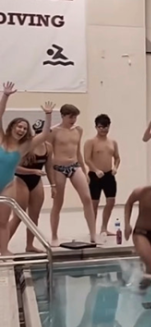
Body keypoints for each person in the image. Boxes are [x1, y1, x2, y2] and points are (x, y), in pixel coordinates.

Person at [0, 83, 54, 256]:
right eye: (19, 126)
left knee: (2, 221)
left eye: (24, 128)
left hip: (7, 186)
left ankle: (3, 250)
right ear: (12, 127)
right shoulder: (2, 138)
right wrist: (6, 96)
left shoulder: (23, 147)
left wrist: (48, 114)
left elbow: (45, 135)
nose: (22, 130)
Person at [48, 103, 98, 246]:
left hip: (75, 166)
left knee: (87, 198)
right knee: (58, 203)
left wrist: (84, 169)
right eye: (70, 117)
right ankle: (54, 235)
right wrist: (51, 180)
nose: (73, 120)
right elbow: (49, 156)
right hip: (59, 168)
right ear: (63, 116)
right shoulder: (54, 132)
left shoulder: (78, 130)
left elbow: (78, 152)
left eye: (75, 117)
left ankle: (93, 234)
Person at [9, 119, 53, 254]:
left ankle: (30, 245)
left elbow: (49, 167)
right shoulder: (27, 146)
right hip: (20, 179)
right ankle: (2, 245)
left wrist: (53, 185)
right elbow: (15, 168)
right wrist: (33, 171)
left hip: (36, 181)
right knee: (19, 215)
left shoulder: (48, 147)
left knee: (34, 215)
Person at [84, 114, 121, 237]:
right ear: (96, 127)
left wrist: (115, 168)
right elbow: (87, 159)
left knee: (111, 201)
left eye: (106, 127)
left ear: (109, 126)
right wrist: (95, 170)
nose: (103, 130)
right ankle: (92, 229)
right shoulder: (91, 142)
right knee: (94, 203)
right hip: (95, 176)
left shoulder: (113, 142)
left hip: (109, 175)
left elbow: (117, 158)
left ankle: (104, 227)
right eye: (101, 127)